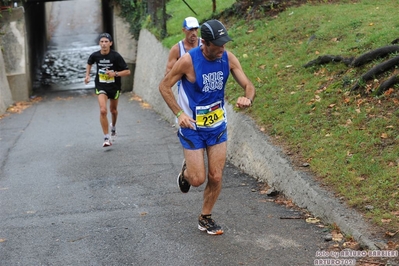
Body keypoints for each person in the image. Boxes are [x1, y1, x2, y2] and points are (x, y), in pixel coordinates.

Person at [159, 19, 255, 235]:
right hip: (192, 127)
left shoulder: (227, 58)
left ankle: (206, 217)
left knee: (216, 176)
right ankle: (186, 173)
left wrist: (247, 98)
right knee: (197, 179)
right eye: (218, 44)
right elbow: (164, 86)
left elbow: (249, 85)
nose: (223, 48)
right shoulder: (187, 61)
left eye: (224, 43)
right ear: (205, 43)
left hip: (217, 126)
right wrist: (179, 113)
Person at [84, 33, 131, 147]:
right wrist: (87, 75)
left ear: (110, 43)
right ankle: (106, 137)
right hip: (101, 86)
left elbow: (127, 72)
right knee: (103, 110)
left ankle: (113, 127)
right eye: (102, 42)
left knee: (113, 110)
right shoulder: (95, 55)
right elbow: (89, 63)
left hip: (114, 87)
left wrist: (114, 74)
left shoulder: (116, 56)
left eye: (106, 42)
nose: (104, 44)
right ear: (99, 43)